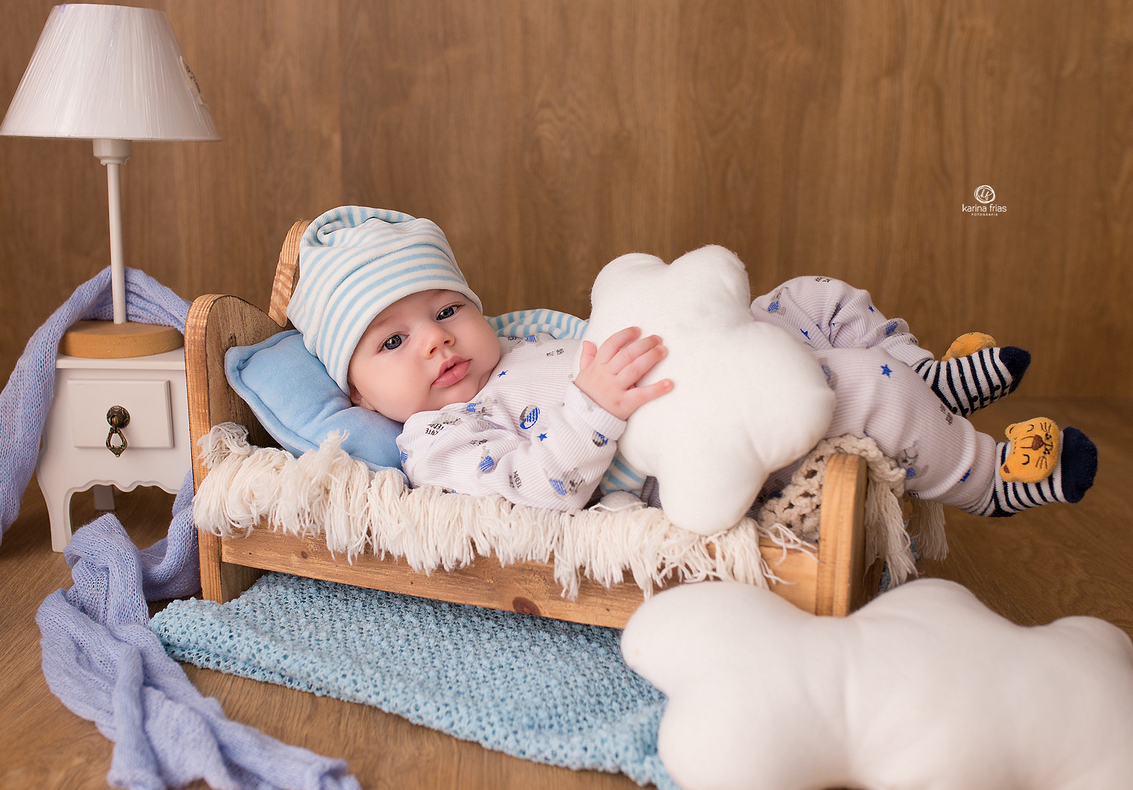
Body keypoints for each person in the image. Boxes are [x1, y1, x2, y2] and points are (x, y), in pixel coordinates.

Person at [287, 206, 1096, 520]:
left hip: (706, 357)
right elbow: (535, 490)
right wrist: (596, 408)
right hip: (683, 443)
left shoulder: (523, 338)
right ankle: (989, 479)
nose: (434, 340)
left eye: (445, 310)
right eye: (391, 343)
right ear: (355, 390)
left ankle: (926, 375)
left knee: (812, 294)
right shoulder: (436, 437)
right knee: (850, 386)